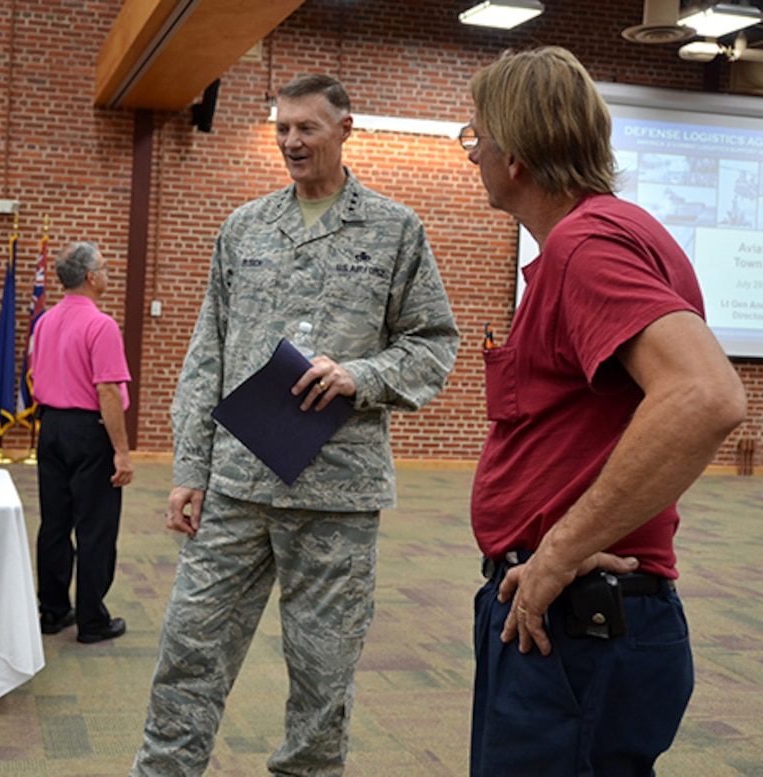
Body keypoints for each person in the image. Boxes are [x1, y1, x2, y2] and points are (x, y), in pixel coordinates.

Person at [131, 74, 459, 776]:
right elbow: (206, 355)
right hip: (237, 483)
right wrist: (189, 468)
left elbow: (434, 341)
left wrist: (361, 376)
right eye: (281, 127)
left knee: (322, 676)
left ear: (345, 128)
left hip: (336, 496)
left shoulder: (395, 229)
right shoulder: (244, 227)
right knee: (188, 652)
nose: (291, 141)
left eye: (306, 127)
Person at [463, 47, 747, 776]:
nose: (473, 157)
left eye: (477, 139)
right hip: (582, 619)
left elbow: (705, 395)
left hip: (573, 626)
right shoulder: (614, 230)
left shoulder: (586, 247)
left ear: (516, 155)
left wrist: (556, 552)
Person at [31, 241, 134, 644]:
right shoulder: (101, 325)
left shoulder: (45, 322)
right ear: (91, 277)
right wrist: (122, 453)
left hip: (51, 428)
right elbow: (108, 391)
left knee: (55, 524)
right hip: (90, 432)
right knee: (95, 527)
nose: (108, 274)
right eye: (106, 268)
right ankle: (93, 620)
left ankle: (53, 611)